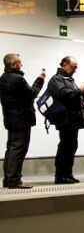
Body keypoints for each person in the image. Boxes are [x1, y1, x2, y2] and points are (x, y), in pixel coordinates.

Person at [0, 53, 45, 188]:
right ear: (14, 64)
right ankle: (14, 179)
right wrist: (40, 80)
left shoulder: (3, 78)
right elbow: (31, 94)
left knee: (11, 148)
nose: (21, 64)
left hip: (10, 118)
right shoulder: (18, 79)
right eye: (19, 62)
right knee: (19, 149)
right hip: (21, 119)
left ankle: (8, 179)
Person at [48, 56, 84, 184]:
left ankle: (68, 173)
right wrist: (78, 90)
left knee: (71, 146)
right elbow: (64, 94)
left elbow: (73, 98)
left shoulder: (68, 79)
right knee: (65, 147)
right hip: (64, 119)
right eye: (73, 67)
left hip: (72, 118)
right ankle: (60, 175)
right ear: (64, 64)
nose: (75, 70)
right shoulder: (56, 79)